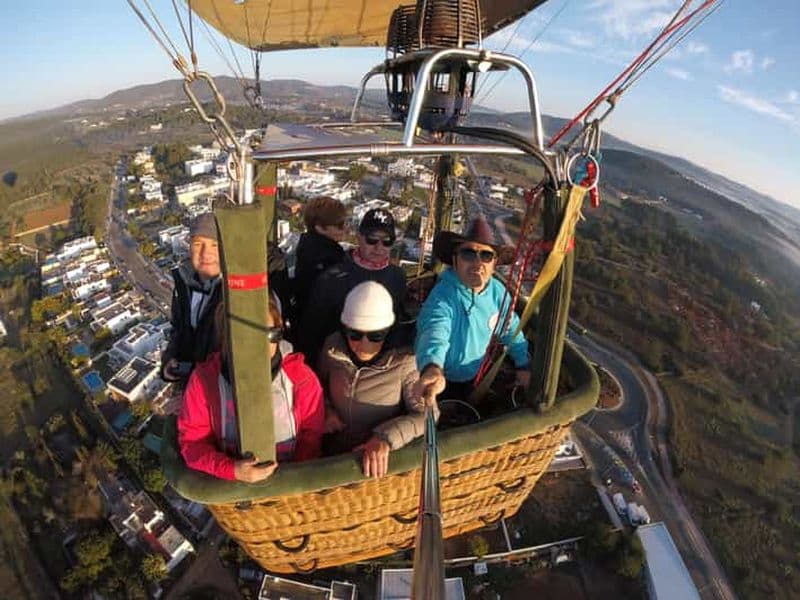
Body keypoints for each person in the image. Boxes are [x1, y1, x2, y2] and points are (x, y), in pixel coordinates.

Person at [178, 293, 325, 482]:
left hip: (288, 487)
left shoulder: (300, 378)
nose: (261, 345)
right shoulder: (205, 382)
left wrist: (288, 481)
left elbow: (311, 437)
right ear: (226, 338)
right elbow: (192, 443)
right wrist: (231, 470)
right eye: (247, 336)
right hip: (233, 487)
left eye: (271, 335)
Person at [318, 281, 435, 478]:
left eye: (375, 336)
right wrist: (327, 410)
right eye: (355, 334)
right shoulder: (332, 349)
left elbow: (428, 415)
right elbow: (317, 386)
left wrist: (385, 437)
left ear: (388, 331)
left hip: (374, 464)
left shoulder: (405, 361)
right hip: (333, 457)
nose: (364, 344)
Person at [415, 215, 530, 403]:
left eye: (486, 255)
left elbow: (511, 329)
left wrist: (523, 365)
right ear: (455, 260)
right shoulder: (443, 297)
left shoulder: (498, 294)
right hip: (440, 379)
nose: (478, 263)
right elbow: (435, 330)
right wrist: (432, 367)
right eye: (468, 254)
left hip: (475, 375)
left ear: (494, 264)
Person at [298, 208, 407, 366]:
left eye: (387, 241)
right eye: (371, 239)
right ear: (359, 237)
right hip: (337, 361)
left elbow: (395, 326)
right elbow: (311, 330)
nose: (379, 247)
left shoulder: (397, 277)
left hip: (380, 364)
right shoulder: (332, 277)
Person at [161, 213, 223, 383]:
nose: (206, 253)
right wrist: (170, 358)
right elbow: (178, 330)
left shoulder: (236, 293)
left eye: (215, 245)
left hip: (218, 388)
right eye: (198, 244)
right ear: (189, 248)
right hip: (192, 383)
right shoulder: (183, 284)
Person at [293, 196, 348, 320]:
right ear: (320, 228)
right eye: (339, 225)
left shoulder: (307, 247)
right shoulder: (327, 259)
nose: (345, 228)